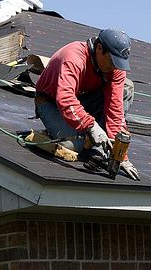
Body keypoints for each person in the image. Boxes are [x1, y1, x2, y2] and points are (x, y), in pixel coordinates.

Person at [34, 28, 140, 180]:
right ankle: (78, 138)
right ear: (99, 49)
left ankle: (99, 147)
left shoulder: (115, 68)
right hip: (52, 103)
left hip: (83, 99)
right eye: (112, 61)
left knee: (126, 87)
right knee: (74, 146)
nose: (115, 67)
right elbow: (65, 99)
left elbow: (115, 111)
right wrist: (91, 126)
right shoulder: (74, 57)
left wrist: (121, 155)